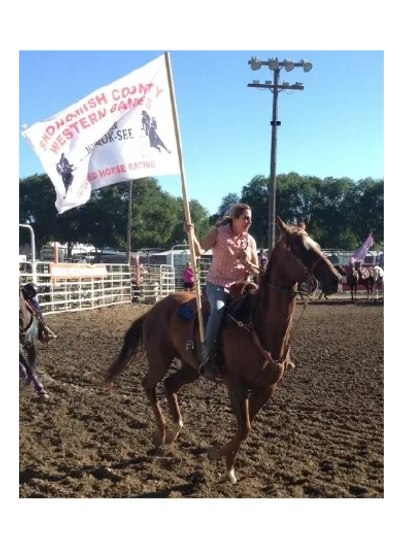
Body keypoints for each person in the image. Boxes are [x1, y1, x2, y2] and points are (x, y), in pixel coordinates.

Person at [185, 203, 259, 379]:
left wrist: (247, 261)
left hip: (241, 286)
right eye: (246, 218)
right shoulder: (218, 233)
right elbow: (199, 251)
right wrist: (192, 234)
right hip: (217, 284)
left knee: (263, 307)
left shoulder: (250, 241)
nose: (249, 222)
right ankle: (207, 355)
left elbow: (257, 270)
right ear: (235, 218)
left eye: (250, 219)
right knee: (218, 310)